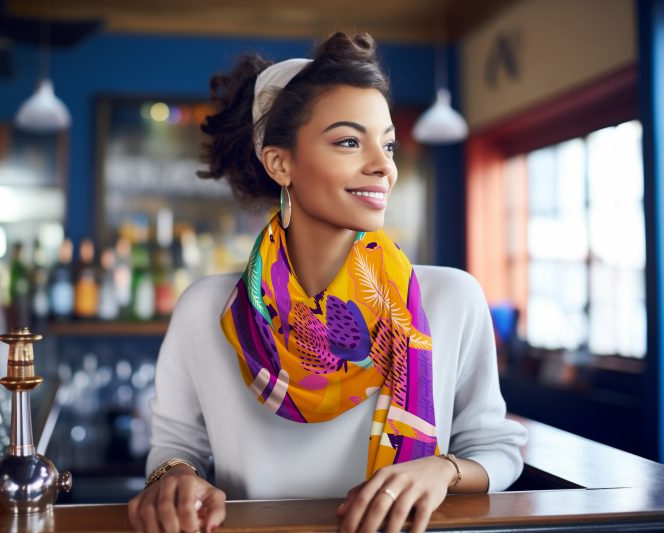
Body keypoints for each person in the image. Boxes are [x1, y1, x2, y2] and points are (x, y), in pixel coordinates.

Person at [127, 32, 527, 533]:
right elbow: (174, 448)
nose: (384, 166)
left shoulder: (450, 297)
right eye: (348, 141)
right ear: (280, 163)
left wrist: (441, 471)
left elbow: (496, 447)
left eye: (387, 144)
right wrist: (173, 479)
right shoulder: (207, 309)